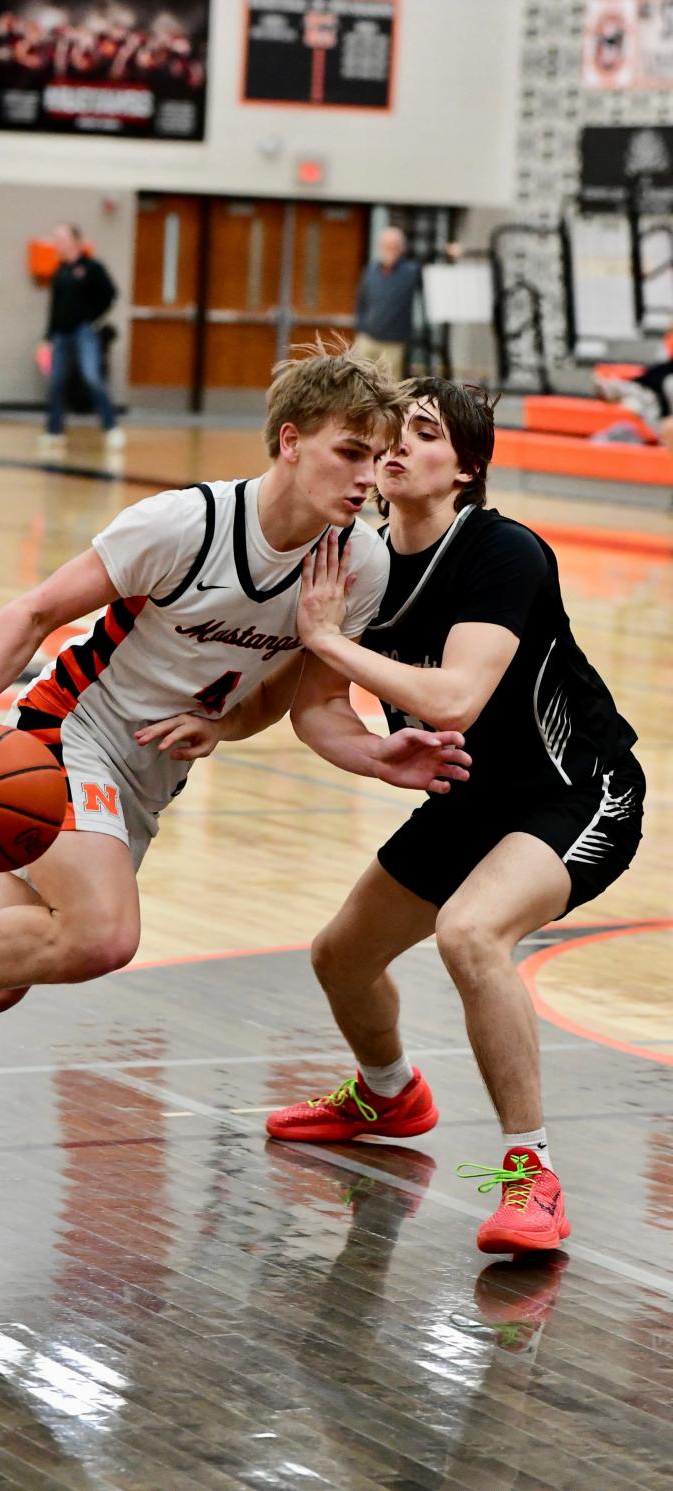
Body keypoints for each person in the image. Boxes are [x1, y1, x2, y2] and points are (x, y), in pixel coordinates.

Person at [0, 344, 471, 1170]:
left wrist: (371, 755)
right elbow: (33, 610)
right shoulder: (184, 524)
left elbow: (308, 706)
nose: (368, 475)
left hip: (148, 776)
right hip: (67, 733)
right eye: (350, 451)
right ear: (291, 441)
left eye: (377, 456)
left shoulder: (355, 562)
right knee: (103, 934)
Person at [266, 378, 644, 1255]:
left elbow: (458, 696)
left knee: (471, 934)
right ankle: (389, 1092)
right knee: (340, 956)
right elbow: (316, 709)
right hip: (465, 797)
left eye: (425, 432)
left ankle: (531, 1174)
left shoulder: (503, 550)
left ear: (466, 467)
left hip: (575, 792)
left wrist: (329, 640)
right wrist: (356, 739)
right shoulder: (352, 561)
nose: (397, 444)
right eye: (389, 431)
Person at [40, 223, 122, 453]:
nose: (57, 242)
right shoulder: (60, 271)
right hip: (61, 334)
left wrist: (93, 319)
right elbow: (54, 307)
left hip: (85, 332)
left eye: (61, 238)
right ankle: (54, 431)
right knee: (56, 382)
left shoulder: (92, 267)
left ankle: (111, 427)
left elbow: (111, 296)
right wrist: (48, 335)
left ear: (75, 241)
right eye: (55, 238)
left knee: (91, 377)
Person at [355, 226, 422, 380]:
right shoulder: (370, 270)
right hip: (368, 338)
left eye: (394, 246)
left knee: (390, 385)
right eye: (386, 245)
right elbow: (361, 301)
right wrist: (361, 326)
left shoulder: (411, 271)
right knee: (360, 380)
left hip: (393, 343)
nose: (390, 250)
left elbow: (433, 277)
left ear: (401, 248)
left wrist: (451, 257)